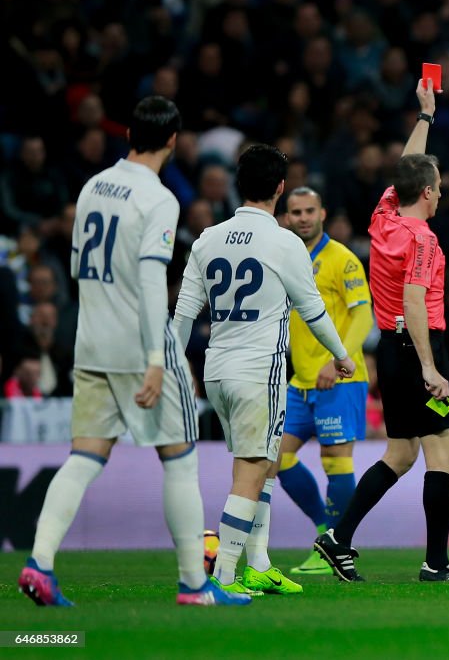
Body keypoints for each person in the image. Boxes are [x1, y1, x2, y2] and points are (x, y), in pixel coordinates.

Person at [19, 96, 250, 607]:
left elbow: (81, 267)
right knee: (181, 458)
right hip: (139, 342)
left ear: (127, 136)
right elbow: (150, 281)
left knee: (84, 455)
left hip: (91, 339)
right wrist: (154, 357)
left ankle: (39, 563)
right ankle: (194, 584)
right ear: (172, 140)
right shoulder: (159, 198)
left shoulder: (92, 186)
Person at [173, 144, 356, 596]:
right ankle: (223, 577)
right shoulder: (284, 241)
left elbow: (182, 315)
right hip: (260, 373)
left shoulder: (207, 238)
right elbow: (313, 311)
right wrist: (342, 354)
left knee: (265, 464)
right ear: (280, 188)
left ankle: (259, 562)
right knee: (253, 470)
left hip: (216, 371)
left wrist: (173, 366)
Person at [314, 79, 449, 583]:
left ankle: (338, 538)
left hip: (391, 347)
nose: (442, 190)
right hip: (418, 347)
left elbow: (407, 168)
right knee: (442, 445)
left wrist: (425, 117)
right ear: (427, 193)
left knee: (402, 452)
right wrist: (431, 367)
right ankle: (436, 562)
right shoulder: (422, 238)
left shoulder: (384, 217)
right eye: (439, 184)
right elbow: (413, 300)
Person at [277, 187, 373, 575]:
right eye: (295, 211)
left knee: (336, 462)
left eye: (309, 210)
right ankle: (325, 535)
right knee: (277, 457)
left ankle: (338, 544)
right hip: (300, 381)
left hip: (340, 380)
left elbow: (363, 315)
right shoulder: (287, 259)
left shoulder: (343, 260)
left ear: (323, 213)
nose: (302, 217)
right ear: (286, 217)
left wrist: (339, 361)